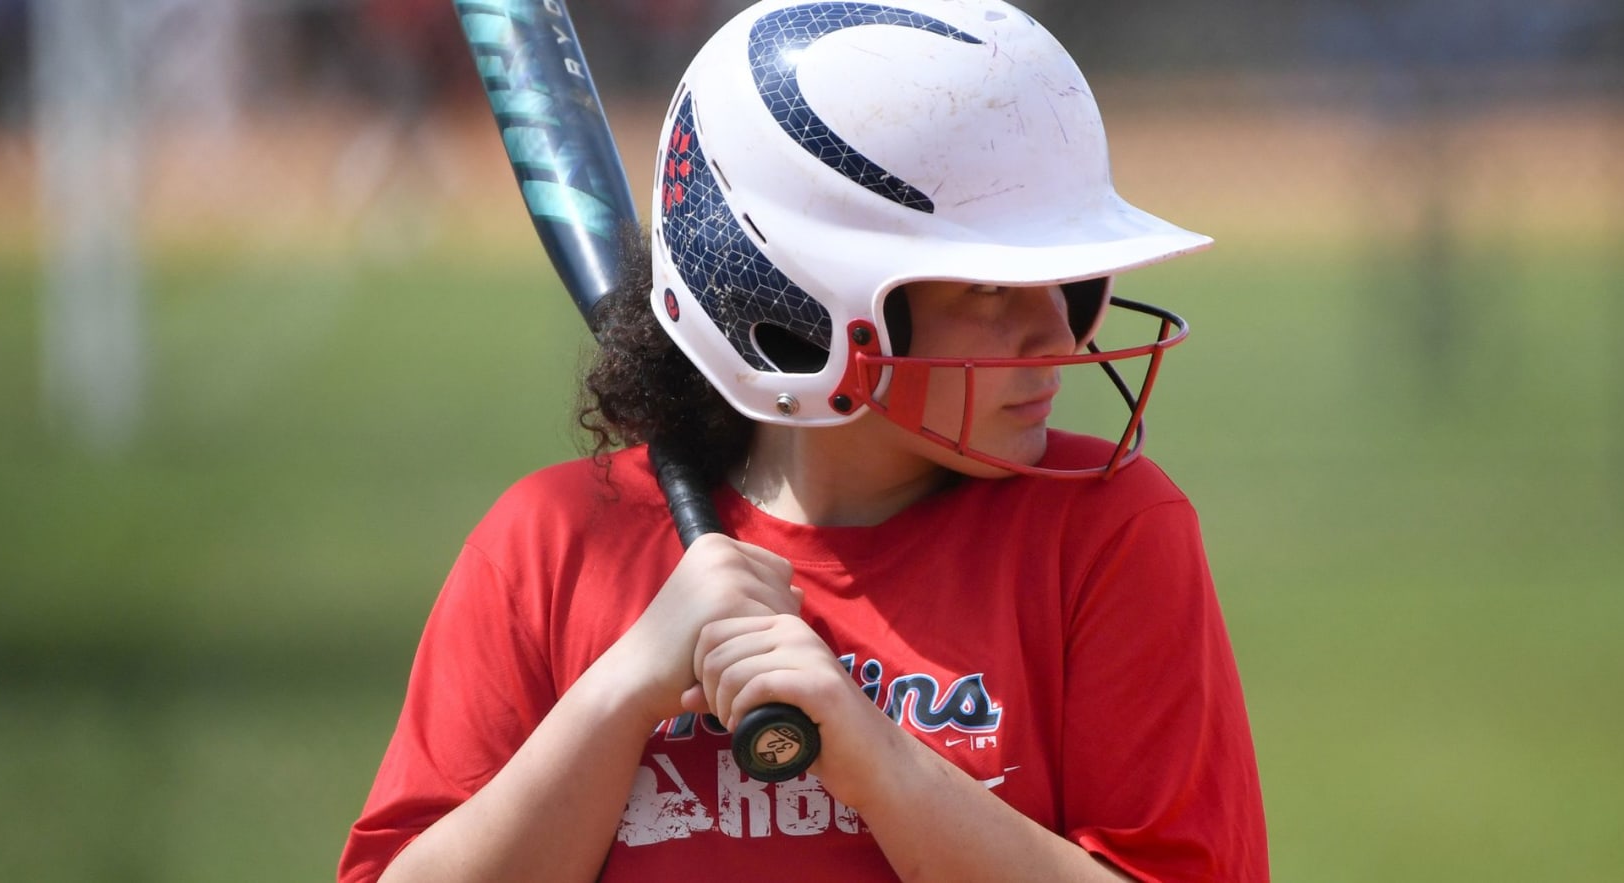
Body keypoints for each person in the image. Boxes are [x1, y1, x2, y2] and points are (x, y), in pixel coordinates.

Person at [339, 1, 1267, 880]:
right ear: (797, 300)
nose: (1058, 338)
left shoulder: (1105, 532)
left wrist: (877, 763)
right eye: (989, 289)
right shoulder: (554, 545)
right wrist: (618, 693)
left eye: (1062, 282)